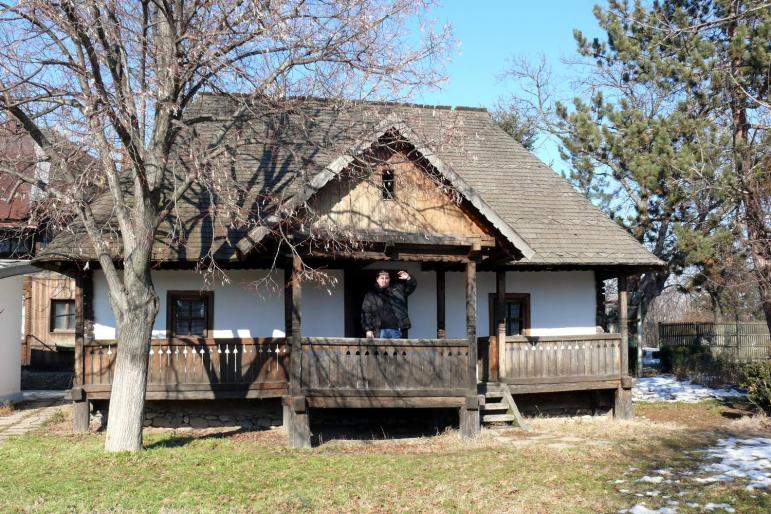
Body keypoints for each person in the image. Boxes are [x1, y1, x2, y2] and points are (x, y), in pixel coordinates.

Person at [361, 270, 417, 339]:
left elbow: (412, 286)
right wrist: (368, 330)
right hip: (379, 330)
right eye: (382, 278)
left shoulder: (397, 290)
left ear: (389, 279)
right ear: (377, 279)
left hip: (396, 330)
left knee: (397, 350)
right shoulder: (371, 295)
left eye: (386, 278)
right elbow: (366, 313)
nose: (384, 280)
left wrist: (408, 278)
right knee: (380, 350)